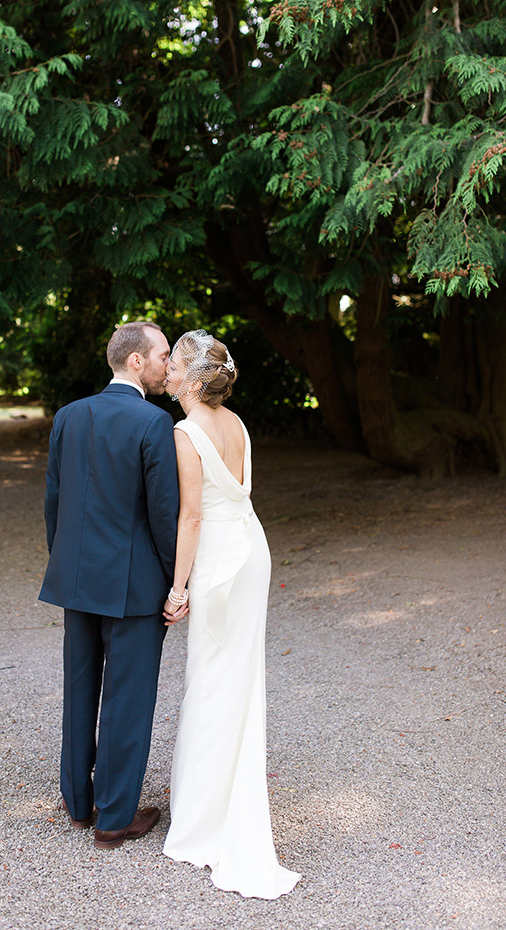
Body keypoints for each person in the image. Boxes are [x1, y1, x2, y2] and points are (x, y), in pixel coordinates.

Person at [161, 330, 300, 899]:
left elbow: (191, 518)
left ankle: (203, 825)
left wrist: (177, 589)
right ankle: (221, 804)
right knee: (238, 682)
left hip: (219, 559)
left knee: (212, 684)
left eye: (172, 363)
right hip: (253, 552)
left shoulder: (186, 432)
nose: (166, 371)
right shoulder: (237, 423)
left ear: (194, 379)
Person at [39, 321, 186, 850]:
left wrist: (67, 564)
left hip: (77, 581)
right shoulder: (153, 423)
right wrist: (177, 583)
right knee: (127, 699)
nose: (170, 363)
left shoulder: (68, 417)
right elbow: (164, 514)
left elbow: (54, 503)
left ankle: (79, 805)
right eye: (164, 354)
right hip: (133, 588)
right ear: (136, 363)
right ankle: (115, 818)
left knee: (80, 690)